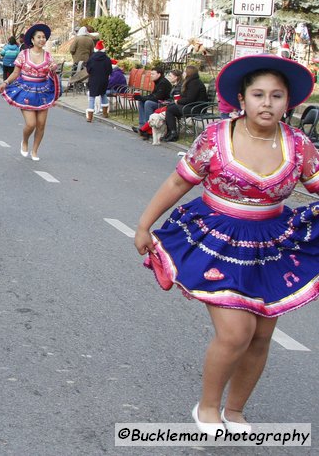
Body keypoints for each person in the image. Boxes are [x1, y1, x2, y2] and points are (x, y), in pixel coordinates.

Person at [134, 55, 319, 435]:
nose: (267, 103)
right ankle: (207, 407)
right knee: (236, 332)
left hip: (272, 244)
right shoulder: (216, 138)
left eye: (276, 96)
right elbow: (178, 183)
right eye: (258, 94)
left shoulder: (299, 145)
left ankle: (235, 410)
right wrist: (143, 224)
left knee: (262, 333)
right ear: (242, 98)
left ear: (289, 103)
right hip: (217, 240)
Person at [0, 24, 59, 161]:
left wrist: (54, 69)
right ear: (32, 40)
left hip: (43, 91)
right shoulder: (23, 54)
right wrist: (5, 82)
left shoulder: (48, 56)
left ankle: (35, 150)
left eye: (44, 37)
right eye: (39, 37)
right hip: (25, 90)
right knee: (31, 123)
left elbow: (52, 71)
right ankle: (24, 141)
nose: (42, 40)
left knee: (41, 124)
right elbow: (15, 72)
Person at [163, 65, 210, 142]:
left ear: (189, 73)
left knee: (170, 109)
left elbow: (190, 99)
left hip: (197, 108)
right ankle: (170, 132)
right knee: (170, 107)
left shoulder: (194, 83)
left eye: (185, 71)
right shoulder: (191, 82)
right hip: (192, 105)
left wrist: (178, 101)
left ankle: (173, 133)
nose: (183, 73)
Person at [131, 66, 173, 139]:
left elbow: (157, 97)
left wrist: (142, 98)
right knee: (142, 102)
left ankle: (148, 129)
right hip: (159, 101)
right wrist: (141, 98)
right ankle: (142, 126)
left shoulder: (163, 83)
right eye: (151, 74)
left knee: (148, 103)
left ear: (159, 74)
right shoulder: (158, 81)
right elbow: (153, 95)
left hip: (163, 104)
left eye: (153, 74)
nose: (151, 76)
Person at [84, 41, 113, 122]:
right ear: (103, 49)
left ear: (95, 49)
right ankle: (105, 113)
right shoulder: (107, 59)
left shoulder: (92, 58)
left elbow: (88, 70)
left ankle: (90, 117)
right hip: (104, 80)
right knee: (103, 95)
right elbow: (110, 70)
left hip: (94, 80)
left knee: (92, 98)